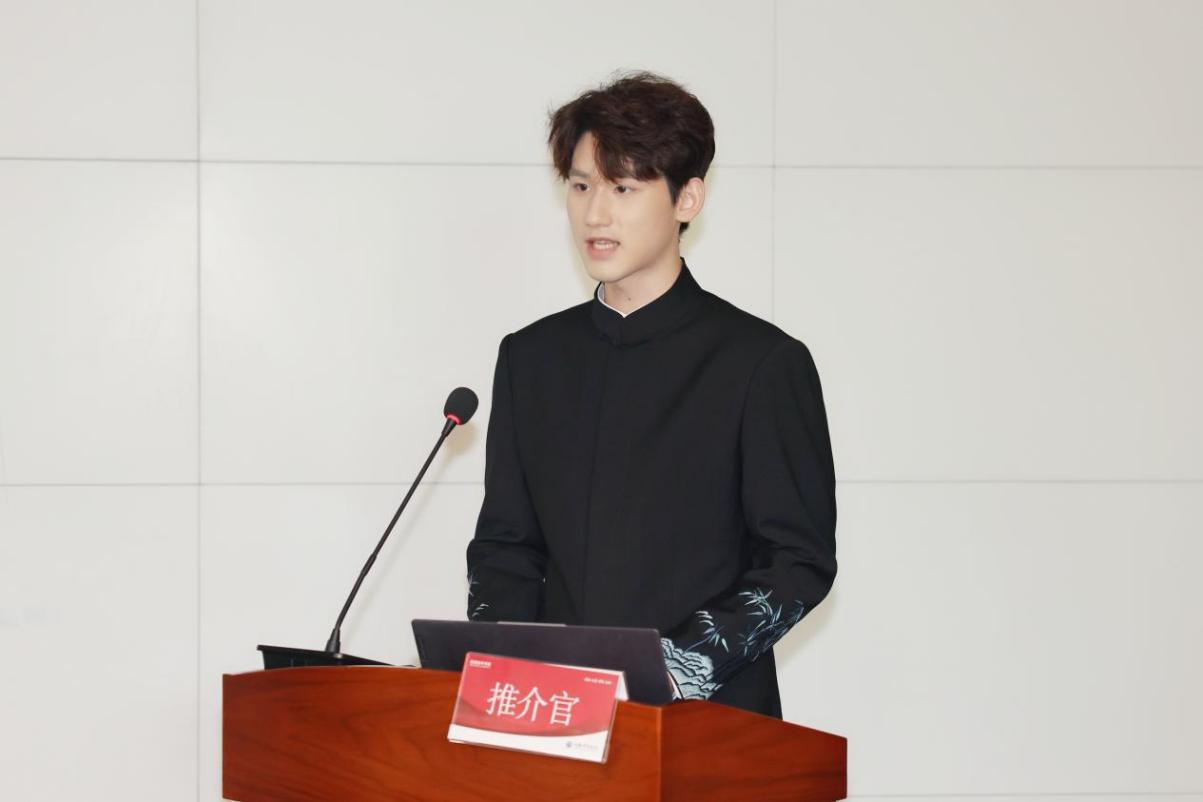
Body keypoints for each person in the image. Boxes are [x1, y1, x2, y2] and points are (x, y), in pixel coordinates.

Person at [465, 70, 837, 719]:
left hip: (708, 722)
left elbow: (797, 562)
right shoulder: (531, 358)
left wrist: (670, 669)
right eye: (581, 186)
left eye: (623, 187)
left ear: (686, 198)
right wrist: (505, 667)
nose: (594, 213)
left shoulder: (760, 362)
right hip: (555, 718)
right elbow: (505, 546)